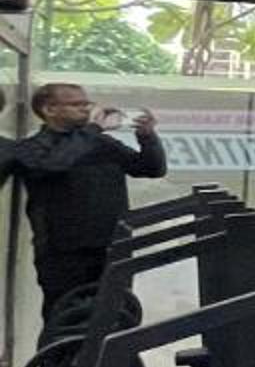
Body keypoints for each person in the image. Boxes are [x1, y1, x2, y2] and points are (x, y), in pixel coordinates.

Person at [0, 83, 167, 317]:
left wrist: (147, 137)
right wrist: (94, 129)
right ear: (49, 110)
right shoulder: (32, 148)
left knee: (115, 316)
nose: (86, 109)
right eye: (77, 104)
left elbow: (152, 168)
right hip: (63, 255)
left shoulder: (101, 143)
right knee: (65, 318)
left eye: (87, 104)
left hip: (111, 246)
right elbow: (56, 164)